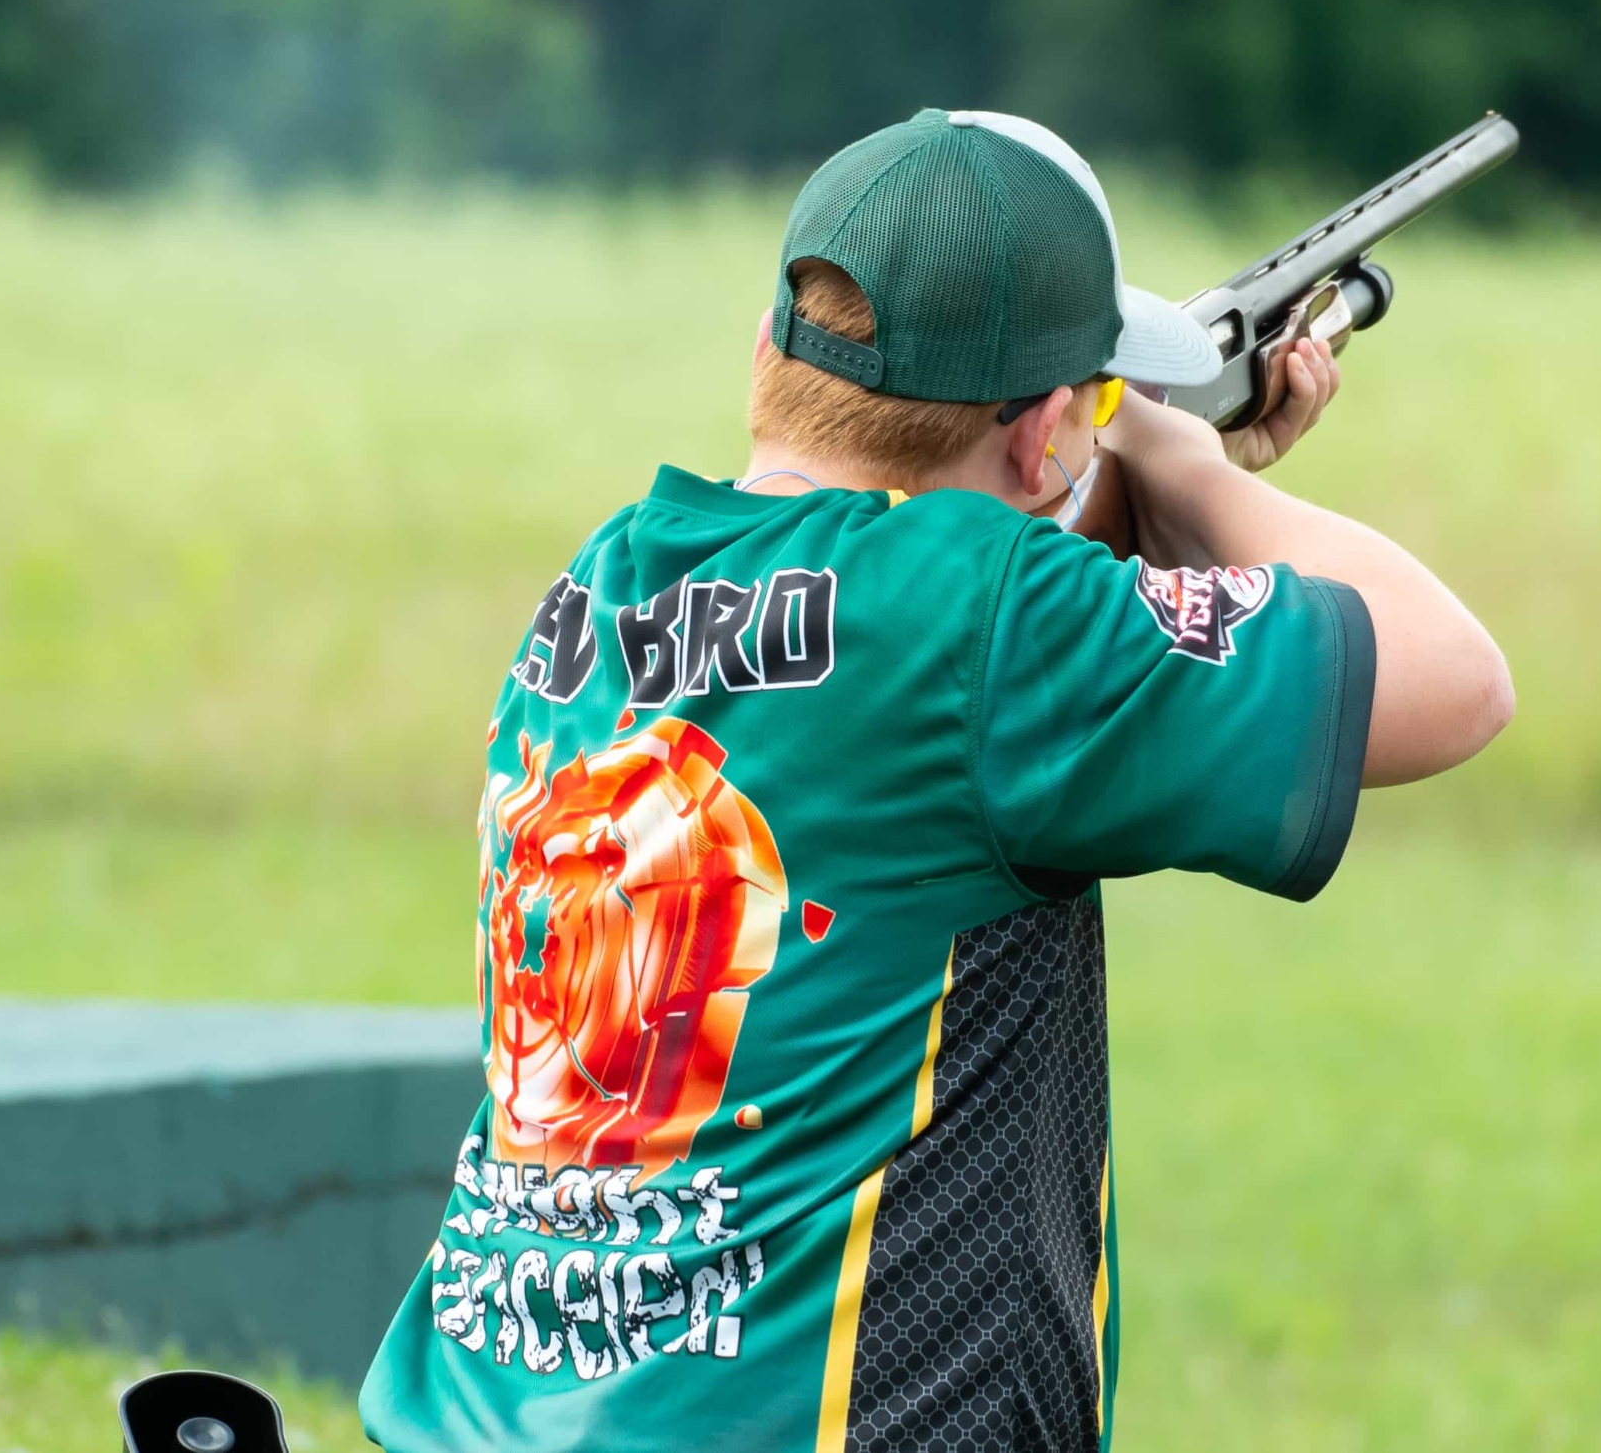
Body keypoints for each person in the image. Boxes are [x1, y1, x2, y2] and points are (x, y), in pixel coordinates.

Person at [358, 108, 1512, 1452]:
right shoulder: (986, 613)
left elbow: (897, 687)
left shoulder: (603, 584)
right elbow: (1456, 678)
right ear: (1041, 437)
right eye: (1094, 408)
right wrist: (1191, 472)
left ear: (767, 357)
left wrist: (1110, 497)